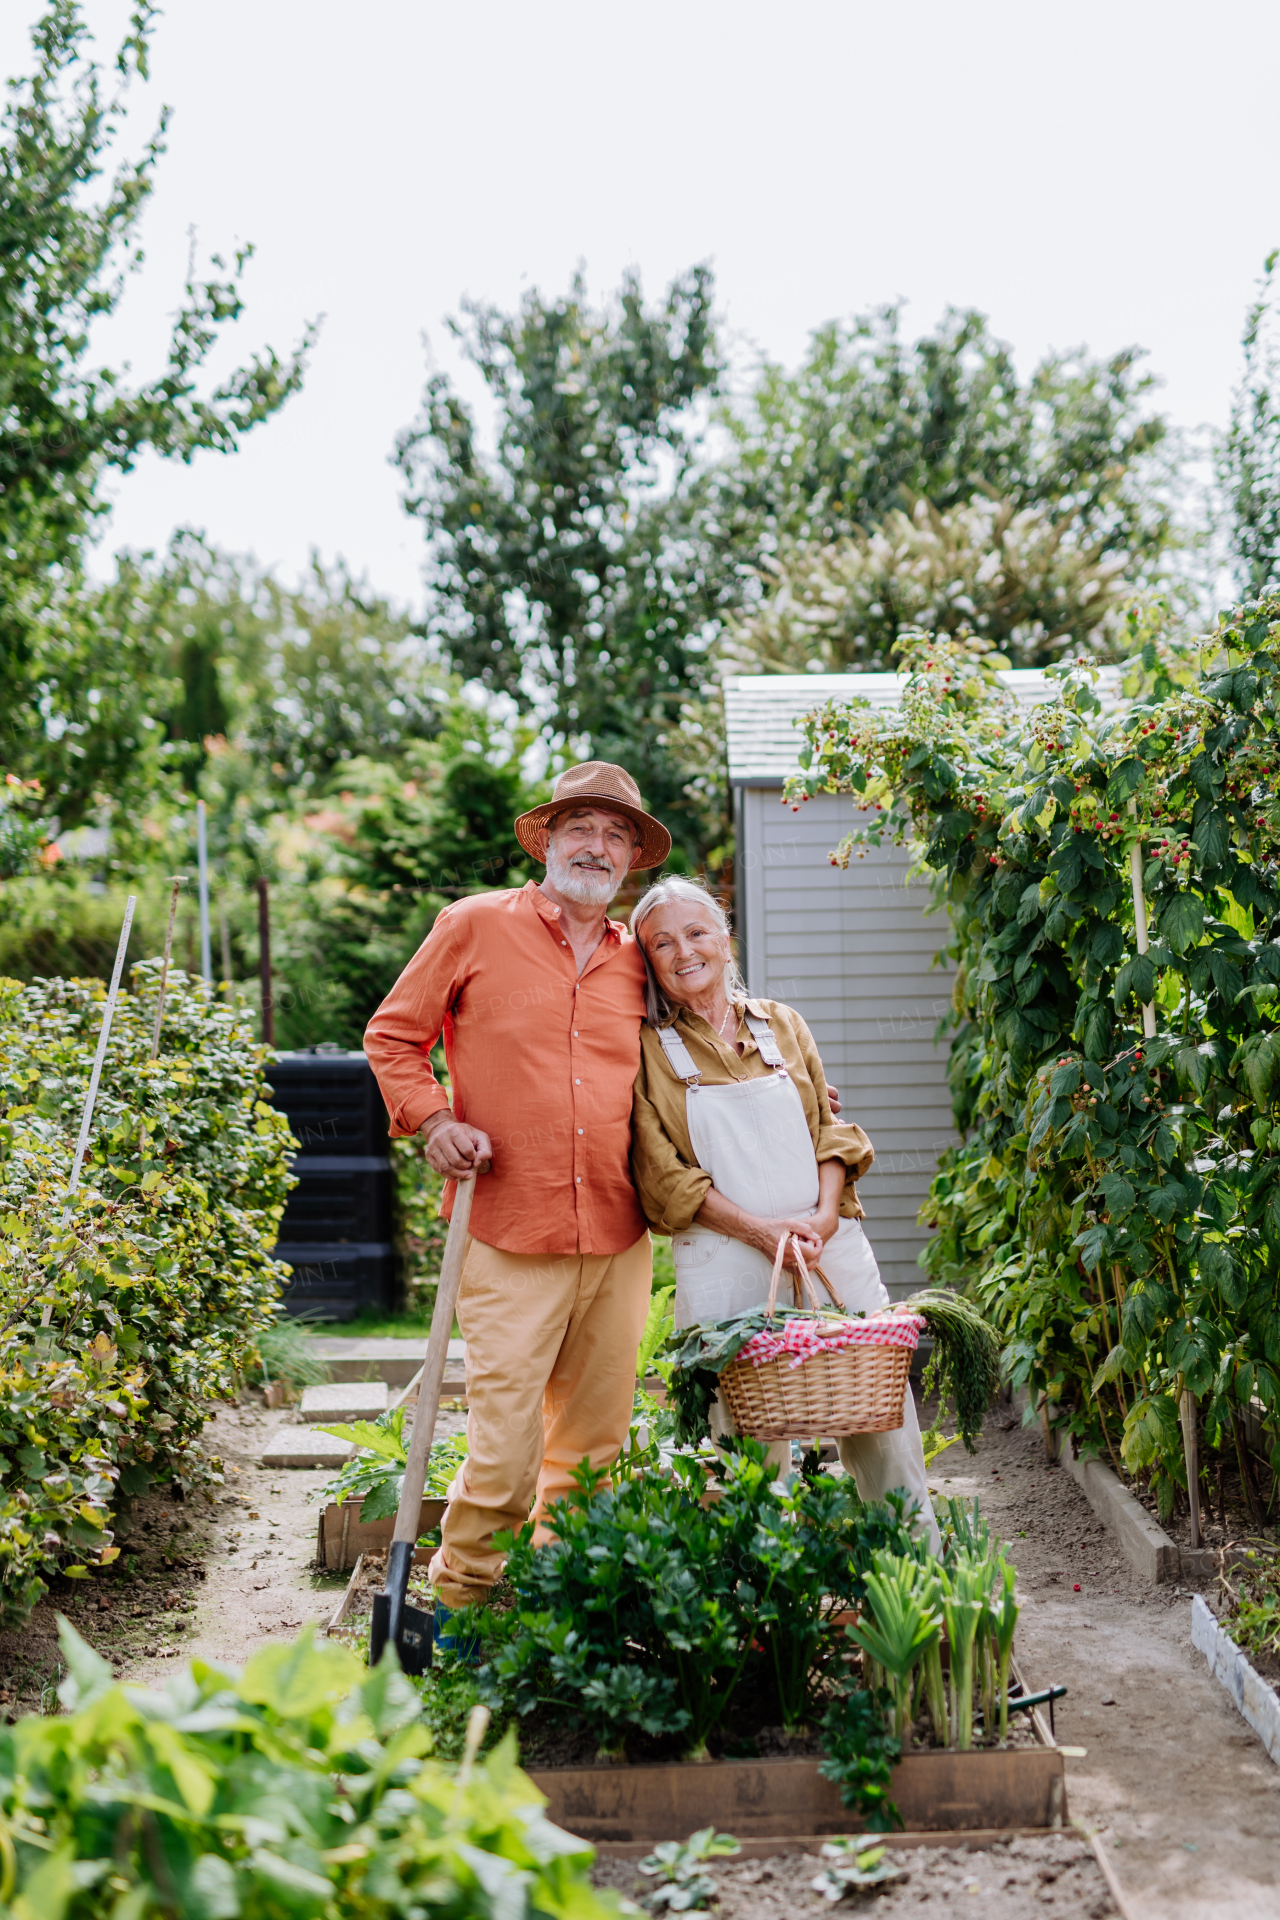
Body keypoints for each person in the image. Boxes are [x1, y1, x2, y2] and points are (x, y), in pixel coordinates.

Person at [362, 761, 672, 1614]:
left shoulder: (642, 958)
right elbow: (392, 1036)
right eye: (581, 827)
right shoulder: (473, 926)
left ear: (632, 858)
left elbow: (711, 1046)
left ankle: (556, 1614)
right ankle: (459, 1610)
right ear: (548, 839)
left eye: (616, 834)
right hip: (505, 1227)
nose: (597, 847)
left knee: (594, 1448)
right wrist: (432, 1121)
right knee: (502, 1452)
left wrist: (795, 1088)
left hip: (619, 1232)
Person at [628, 875, 941, 1552]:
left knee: (879, 1420)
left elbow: (828, 1130)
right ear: (647, 961)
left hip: (828, 1250)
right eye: (662, 943)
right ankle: (762, 1602)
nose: (684, 951)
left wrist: (824, 1218)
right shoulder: (647, 1050)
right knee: (745, 1448)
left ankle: (916, 1573)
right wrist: (760, 1232)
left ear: (726, 938)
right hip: (726, 1261)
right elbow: (665, 1178)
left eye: (697, 932)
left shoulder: (782, 1022)